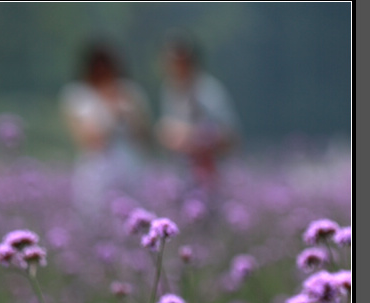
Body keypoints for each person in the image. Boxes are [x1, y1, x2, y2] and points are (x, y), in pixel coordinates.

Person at [60, 41, 152, 215]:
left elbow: (145, 134)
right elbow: (87, 139)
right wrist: (112, 112)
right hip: (96, 173)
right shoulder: (78, 95)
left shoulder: (130, 92)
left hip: (130, 168)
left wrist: (130, 116)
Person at [156, 32, 241, 189]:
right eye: (172, 62)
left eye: (181, 61)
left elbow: (229, 136)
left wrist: (193, 135)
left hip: (210, 173)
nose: (177, 67)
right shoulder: (168, 90)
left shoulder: (209, 90)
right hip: (180, 174)